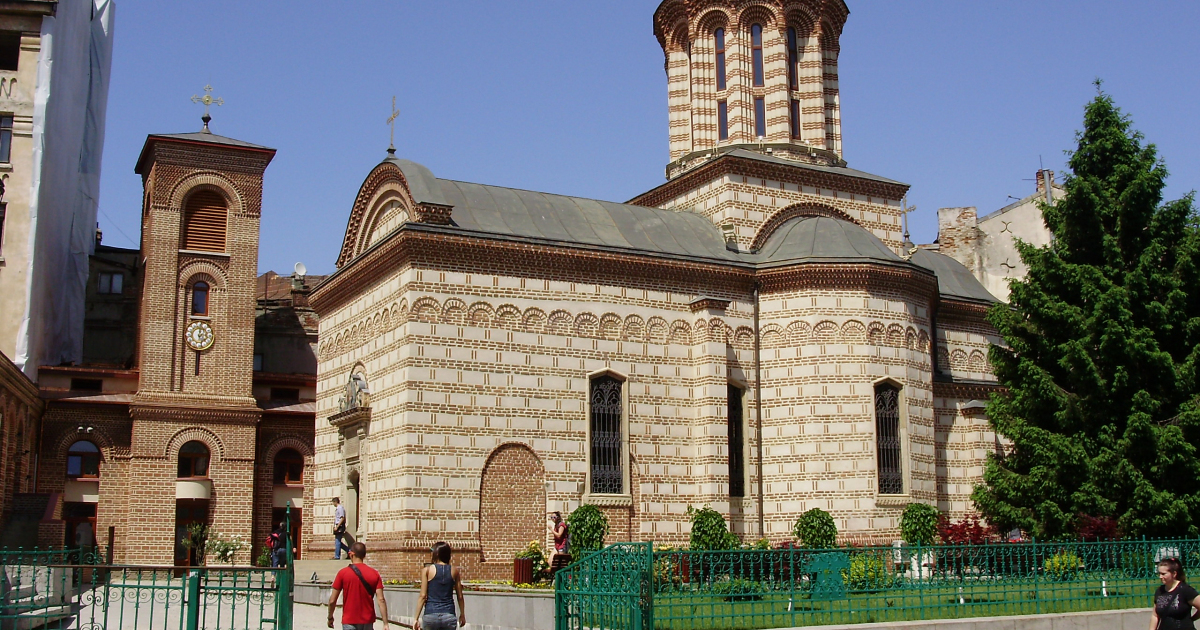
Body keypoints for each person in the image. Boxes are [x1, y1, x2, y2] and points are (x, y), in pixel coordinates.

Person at [328, 541, 389, 630]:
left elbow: (332, 600)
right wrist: (385, 623)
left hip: (349, 619)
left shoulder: (343, 573)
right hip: (368, 620)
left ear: (351, 554)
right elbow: (381, 600)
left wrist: (330, 617)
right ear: (364, 556)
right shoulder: (374, 573)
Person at [414, 542, 465, 630]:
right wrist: (462, 614)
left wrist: (416, 618)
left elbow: (423, 596)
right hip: (449, 614)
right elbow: (460, 596)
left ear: (436, 554)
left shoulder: (427, 570)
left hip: (431, 614)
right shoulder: (454, 571)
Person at [1151, 557, 1200, 630]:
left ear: (1174, 574)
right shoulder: (1160, 591)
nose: (1160, 577)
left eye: (1163, 574)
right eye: (1159, 574)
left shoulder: (1185, 590)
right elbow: (1155, 616)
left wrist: (1192, 619)